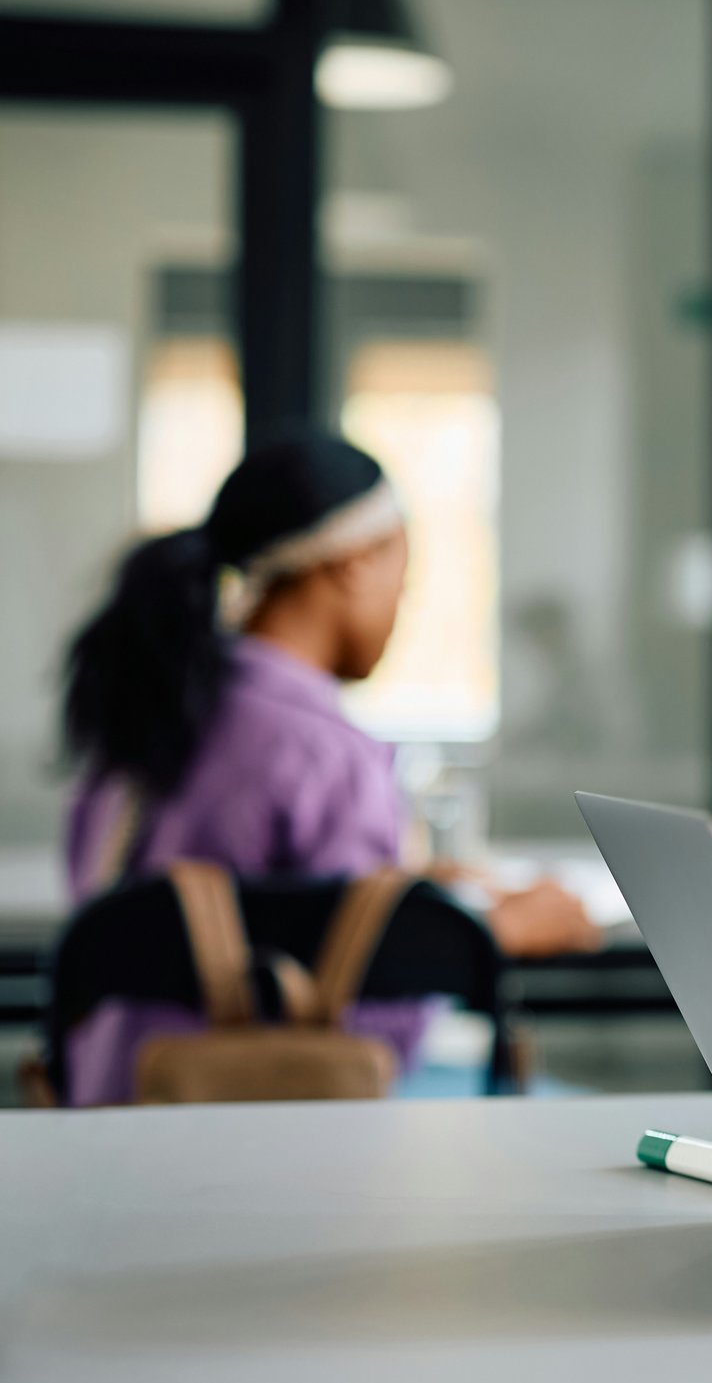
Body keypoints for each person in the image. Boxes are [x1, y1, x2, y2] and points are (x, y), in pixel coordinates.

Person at [56, 433, 597, 1104]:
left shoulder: (145, 717)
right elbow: (371, 1036)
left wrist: (410, 900)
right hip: (256, 1130)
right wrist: (482, 936)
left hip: (107, 1107)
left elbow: (140, 922)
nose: (404, 604)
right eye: (405, 575)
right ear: (352, 565)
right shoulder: (328, 755)